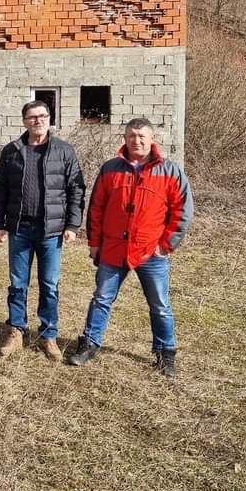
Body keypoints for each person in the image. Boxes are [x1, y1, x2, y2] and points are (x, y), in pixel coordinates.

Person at [66, 117, 193, 377]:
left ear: (152, 139)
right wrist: (95, 243)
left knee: (160, 305)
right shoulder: (110, 169)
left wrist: (165, 245)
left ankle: (165, 353)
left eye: (141, 136)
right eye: (132, 136)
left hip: (150, 251)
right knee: (101, 298)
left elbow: (182, 211)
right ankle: (89, 344)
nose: (137, 141)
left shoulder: (169, 171)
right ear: (125, 138)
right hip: (113, 248)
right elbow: (97, 209)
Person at [0, 100, 85, 362]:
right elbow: (1, 189)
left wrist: (72, 225)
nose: (38, 121)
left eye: (43, 116)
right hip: (20, 229)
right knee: (17, 283)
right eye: (32, 117)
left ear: (49, 119)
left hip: (51, 230)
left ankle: (48, 335)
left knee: (49, 284)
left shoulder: (64, 150)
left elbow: (76, 189)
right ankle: (16, 331)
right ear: (24, 121)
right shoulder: (12, 151)